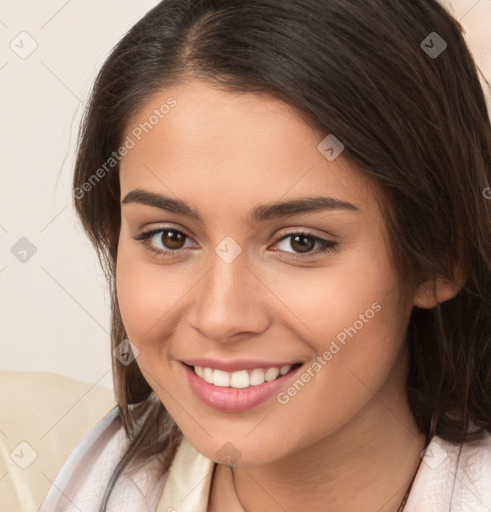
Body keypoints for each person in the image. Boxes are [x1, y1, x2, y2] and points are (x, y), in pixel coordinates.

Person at [39, 0, 491, 510]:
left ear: (439, 255)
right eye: (169, 237)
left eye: (301, 242)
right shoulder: (54, 478)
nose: (220, 316)